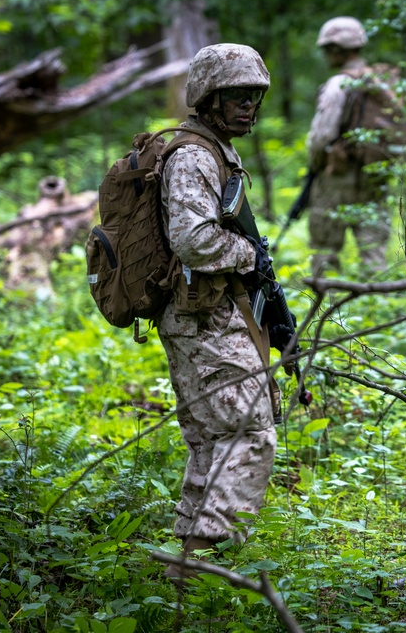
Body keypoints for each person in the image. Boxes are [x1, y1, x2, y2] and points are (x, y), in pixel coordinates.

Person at [156, 43, 278, 582]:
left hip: (202, 310)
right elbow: (193, 239)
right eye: (236, 97)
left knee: (212, 434)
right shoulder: (193, 156)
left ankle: (187, 561)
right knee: (250, 429)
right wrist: (251, 256)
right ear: (208, 99)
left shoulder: (215, 150)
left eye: (254, 97)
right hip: (200, 314)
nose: (248, 107)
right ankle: (205, 560)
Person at [305, 15, 393, 277]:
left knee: (325, 247)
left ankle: (326, 304)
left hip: (337, 177)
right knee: (374, 248)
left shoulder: (338, 84)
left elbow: (322, 135)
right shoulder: (381, 82)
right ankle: (378, 301)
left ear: (335, 49)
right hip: (375, 173)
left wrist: (317, 164)